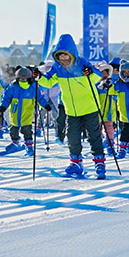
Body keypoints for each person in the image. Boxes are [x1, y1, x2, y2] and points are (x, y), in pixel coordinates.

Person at [37, 34, 107, 179]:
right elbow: (49, 82)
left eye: (66, 56)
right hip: (72, 110)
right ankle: (76, 163)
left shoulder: (82, 63)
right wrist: (39, 77)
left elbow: (96, 76)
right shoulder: (57, 68)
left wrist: (90, 72)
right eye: (60, 56)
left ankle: (99, 162)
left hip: (89, 107)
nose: (63, 59)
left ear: (72, 54)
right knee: (72, 137)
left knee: (94, 136)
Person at [0, 67, 51, 156]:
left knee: (27, 131)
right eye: (21, 79)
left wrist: (46, 105)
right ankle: (15, 143)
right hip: (15, 113)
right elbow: (6, 97)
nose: (23, 80)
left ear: (29, 79)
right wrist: (3, 106)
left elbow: (40, 98)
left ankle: (29, 146)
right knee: (13, 130)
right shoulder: (13, 86)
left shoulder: (33, 87)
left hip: (27, 113)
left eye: (25, 79)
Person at [95, 61, 118, 156]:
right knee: (98, 129)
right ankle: (99, 146)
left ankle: (110, 145)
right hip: (98, 110)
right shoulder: (95, 85)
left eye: (105, 73)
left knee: (109, 128)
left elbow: (116, 93)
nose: (103, 75)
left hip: (109, 109)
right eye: (101, 73)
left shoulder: (111, 83)